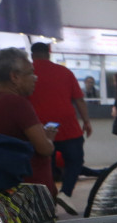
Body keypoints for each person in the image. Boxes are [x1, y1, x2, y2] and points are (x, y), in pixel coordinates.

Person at [0, 47, 57, 192]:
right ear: (14, 77)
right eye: (30, 73)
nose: (35, 78)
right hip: (27, 191)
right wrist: (49, 138)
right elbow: (44, 149)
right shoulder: (18, 103)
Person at [28, 42, 92, 205]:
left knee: (44, 165)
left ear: (32, 54)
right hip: (66, 126)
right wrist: (86, 121)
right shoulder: (64, 72)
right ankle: (65, 192)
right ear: (49, 53)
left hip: (39, 127)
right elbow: (79, 100)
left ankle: (48, 200)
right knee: (75, 160)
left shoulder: (26, 73)